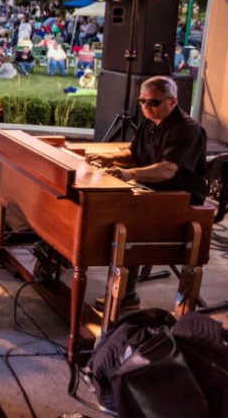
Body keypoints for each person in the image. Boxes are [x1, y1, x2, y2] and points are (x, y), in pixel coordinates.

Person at [86, 76, 207, 309]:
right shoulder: (150, 121)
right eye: (142, 102)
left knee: (127, 220)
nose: (146, 108)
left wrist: (130, 175)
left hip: (179, 199)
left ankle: (127, 295)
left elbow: (167, 169)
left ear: (173, 102)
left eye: (153, 103)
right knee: (97, 203)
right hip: (153, 190)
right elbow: (135, 153)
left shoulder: (188, 129)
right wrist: (108, 157)